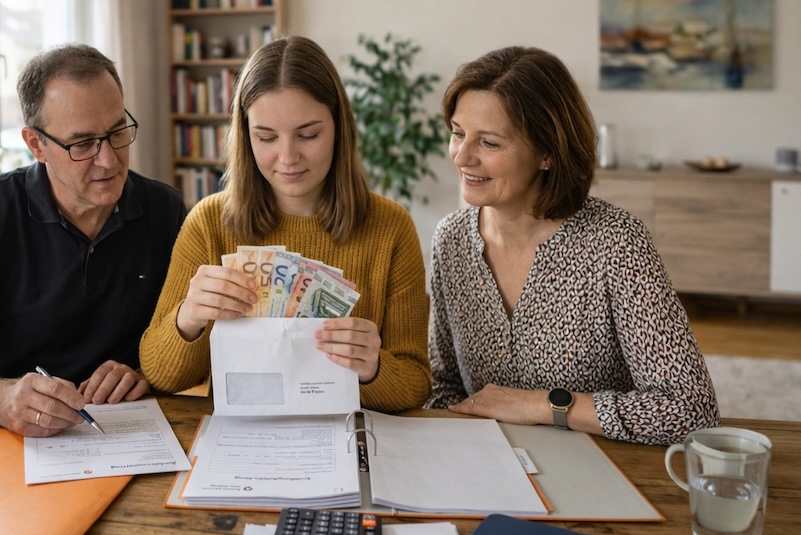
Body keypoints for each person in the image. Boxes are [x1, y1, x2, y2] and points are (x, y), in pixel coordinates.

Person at [426, 46, 718, 444]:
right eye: (458, 133)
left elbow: (691, 409)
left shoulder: (615, 242)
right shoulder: (451, 239)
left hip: (604, 468)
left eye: (490, 143)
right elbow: (443, 385)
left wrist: (541, 405)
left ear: (546, 153)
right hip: (486, 467)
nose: (461, 156)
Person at [0, 44, 185, 436]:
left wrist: (145, 371)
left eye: (118, 132)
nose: (109, 160)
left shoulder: (164, 208)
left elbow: (193, 338)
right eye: (82, 144)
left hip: (132, 432)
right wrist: (1, 399)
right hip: (10, 438)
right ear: (36, 144)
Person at [140, 36, 430, 412]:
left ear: (339, 128)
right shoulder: (209, 223)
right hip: (242, 446)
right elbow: (161, 375)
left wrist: (372, 368)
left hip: (348, 441)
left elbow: (415, 384)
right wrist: (189, 317)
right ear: (245, 136)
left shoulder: (391, 228)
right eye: (266, 137)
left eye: (308, 135)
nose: (288, 157)